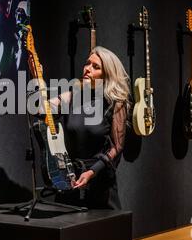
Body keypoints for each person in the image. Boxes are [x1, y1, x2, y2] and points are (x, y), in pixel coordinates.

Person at [46, 46, 131, 209]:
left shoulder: (116, 103)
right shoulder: (72, 96)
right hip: (71, 179)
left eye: (95, 66)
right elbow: (43, 110)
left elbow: (117, 147)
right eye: (87, 63)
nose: (87, 69)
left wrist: (92, 172)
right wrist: (36, 77)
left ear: (107, 74)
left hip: (100, 181)